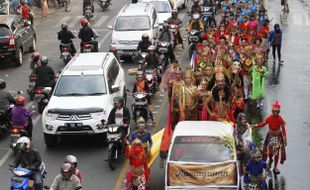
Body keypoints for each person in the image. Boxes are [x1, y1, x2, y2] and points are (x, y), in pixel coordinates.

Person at [253, 101, 287, 174]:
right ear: (272, 111)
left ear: (278, 112)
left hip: (277, 138)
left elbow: (283, 128)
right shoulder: (269, 118)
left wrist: (284, 137)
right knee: (270, 152)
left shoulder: (280, 118)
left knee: (276, 153)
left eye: (277, 112)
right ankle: (270, 161)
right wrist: (255, 125)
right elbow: (263, 123)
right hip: (270, 137)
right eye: (274, 111)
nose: (275, 113)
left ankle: (275, 167)